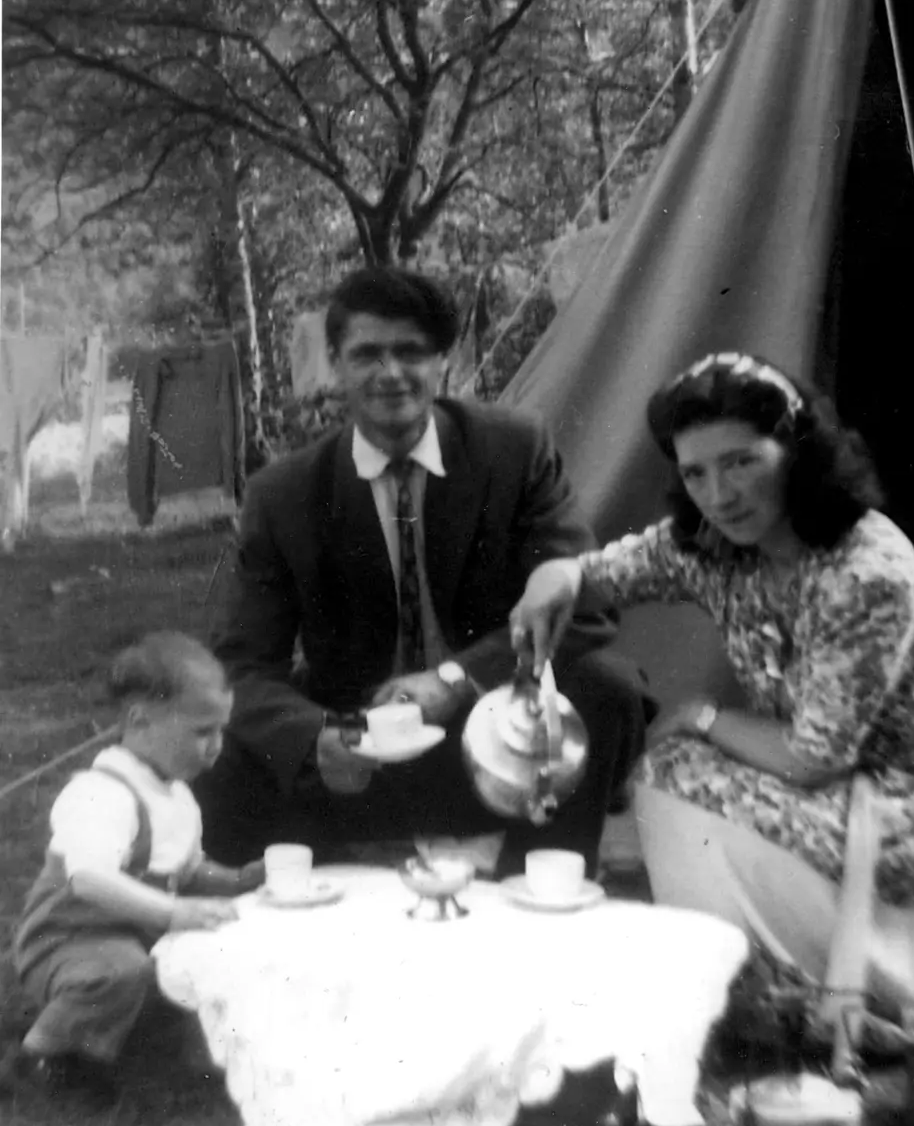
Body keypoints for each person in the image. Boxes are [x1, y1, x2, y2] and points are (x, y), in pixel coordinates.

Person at [509, 351, 914, 1024]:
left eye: (740, 461)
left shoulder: (865, 571)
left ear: (795, 449)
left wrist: (700, 714)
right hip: (836, 789)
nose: (719, 494)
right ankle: (749, 986)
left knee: (678, 771)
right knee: (673, 773)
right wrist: (555, 577)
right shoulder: (715, 547)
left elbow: (814, 759)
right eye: (695, 472)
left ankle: (846, 989)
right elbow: (606, 573)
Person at [193, 267, 649, 878]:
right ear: (335, 363)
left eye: (410, 352)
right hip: (358, 755)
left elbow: (587, 607)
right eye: (366, 354)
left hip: (493, 741)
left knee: (607, 687)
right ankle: (269, 918)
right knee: (224, 748)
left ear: (443, 362)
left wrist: (457, 679)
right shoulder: (284, 494)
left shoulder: (511, 450)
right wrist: (314, 737)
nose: (390, 374)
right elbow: (241, 665)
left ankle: (541, 889)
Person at [11, 632, 264, 1104]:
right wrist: (171, 914)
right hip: (67, 940)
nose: (216, 746)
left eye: (221, 731)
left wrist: (237, 880)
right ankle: (42, 1058)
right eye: (201, 732)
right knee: (117, 971)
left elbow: (186, 869)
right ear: (139, 720)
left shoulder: (175, 794)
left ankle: (151, 1035)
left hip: (130, 934)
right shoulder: (102, 792)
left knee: (223, 952)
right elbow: (87, 878)